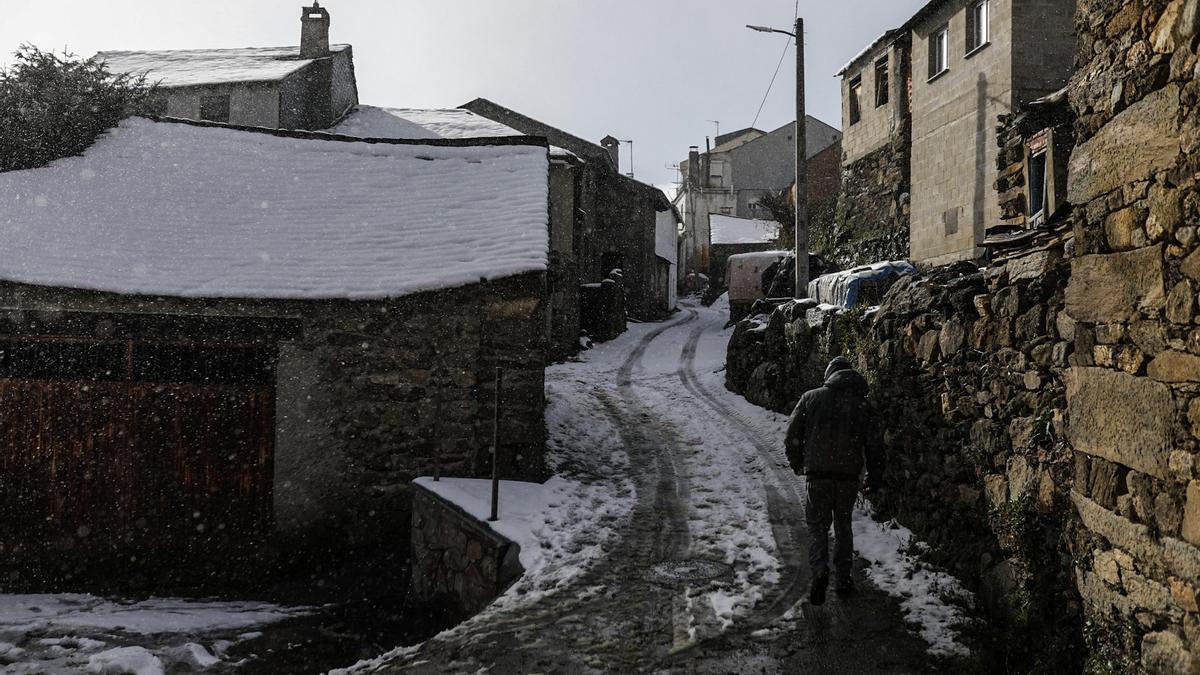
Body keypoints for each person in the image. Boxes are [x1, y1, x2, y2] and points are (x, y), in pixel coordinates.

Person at [785, 356, 883, 606]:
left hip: (818, 475)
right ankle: (843, 579)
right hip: (849, 476)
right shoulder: (864, 406)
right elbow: (874, 445)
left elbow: (792, 433)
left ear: (829, 374)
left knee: (817, 526)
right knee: (843, 526)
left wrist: (796, 461)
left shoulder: (811, 397)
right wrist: (875, 475)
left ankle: (820, 570)